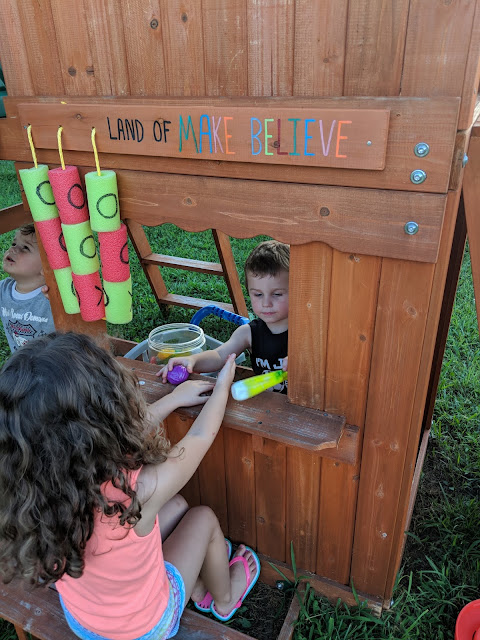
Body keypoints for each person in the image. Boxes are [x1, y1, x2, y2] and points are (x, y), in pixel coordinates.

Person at [0, 332, 261, 640]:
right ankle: (222, 597)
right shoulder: (137, 490)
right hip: (147, 627)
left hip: (84, 620)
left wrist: (173, 399)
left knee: (176, 506)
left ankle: (198, 580)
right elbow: (200, 437)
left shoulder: (27, 489)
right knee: (202, 518)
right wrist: (222, 387)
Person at [159, 240, 289, 394]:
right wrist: (192, 361)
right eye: (258, 294)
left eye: (277, 294)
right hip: (268, 406)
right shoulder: (248, 333)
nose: (266, 303)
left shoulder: (310, 334)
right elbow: (219, 356)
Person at [0, 223, 54, 351]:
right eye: (14, 244)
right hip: (22, 365)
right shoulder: (3, 289)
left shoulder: (52, 295)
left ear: (45, 267)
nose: (13, 249)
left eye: (25, 248)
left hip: (56, 365)